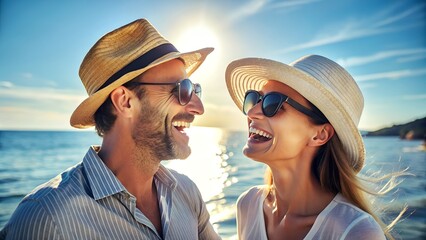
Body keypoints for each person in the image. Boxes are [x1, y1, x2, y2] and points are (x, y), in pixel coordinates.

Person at [0, 18, 221, 240]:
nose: (198, 108)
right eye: (182, 89)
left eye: (195, 89)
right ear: (124, 101)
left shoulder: (187, 192)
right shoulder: (44, 220)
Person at [225, 55, 405, 239]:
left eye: (273, 103)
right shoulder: (248, 204)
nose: (252, 112)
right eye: (254, 99)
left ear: (320, 135)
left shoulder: (356, 232)